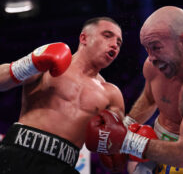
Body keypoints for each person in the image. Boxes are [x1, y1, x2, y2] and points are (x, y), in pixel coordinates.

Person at [85, 6, 183, 173]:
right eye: (147, 49)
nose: (150, 57)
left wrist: (126, 141)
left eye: (156, 47)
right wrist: (125, 126)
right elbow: (150, 99)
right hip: (158, 151)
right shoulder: (154, 66)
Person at [0, 17, 126, 174]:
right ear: (84, 38)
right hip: (20, 153)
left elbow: (114, 147)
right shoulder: (48, 64)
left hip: (64, 165)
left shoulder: (112, 94)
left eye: (119, 42)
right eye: (107, 36)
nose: (114, 44)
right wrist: (29, 64)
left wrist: (112, 149)